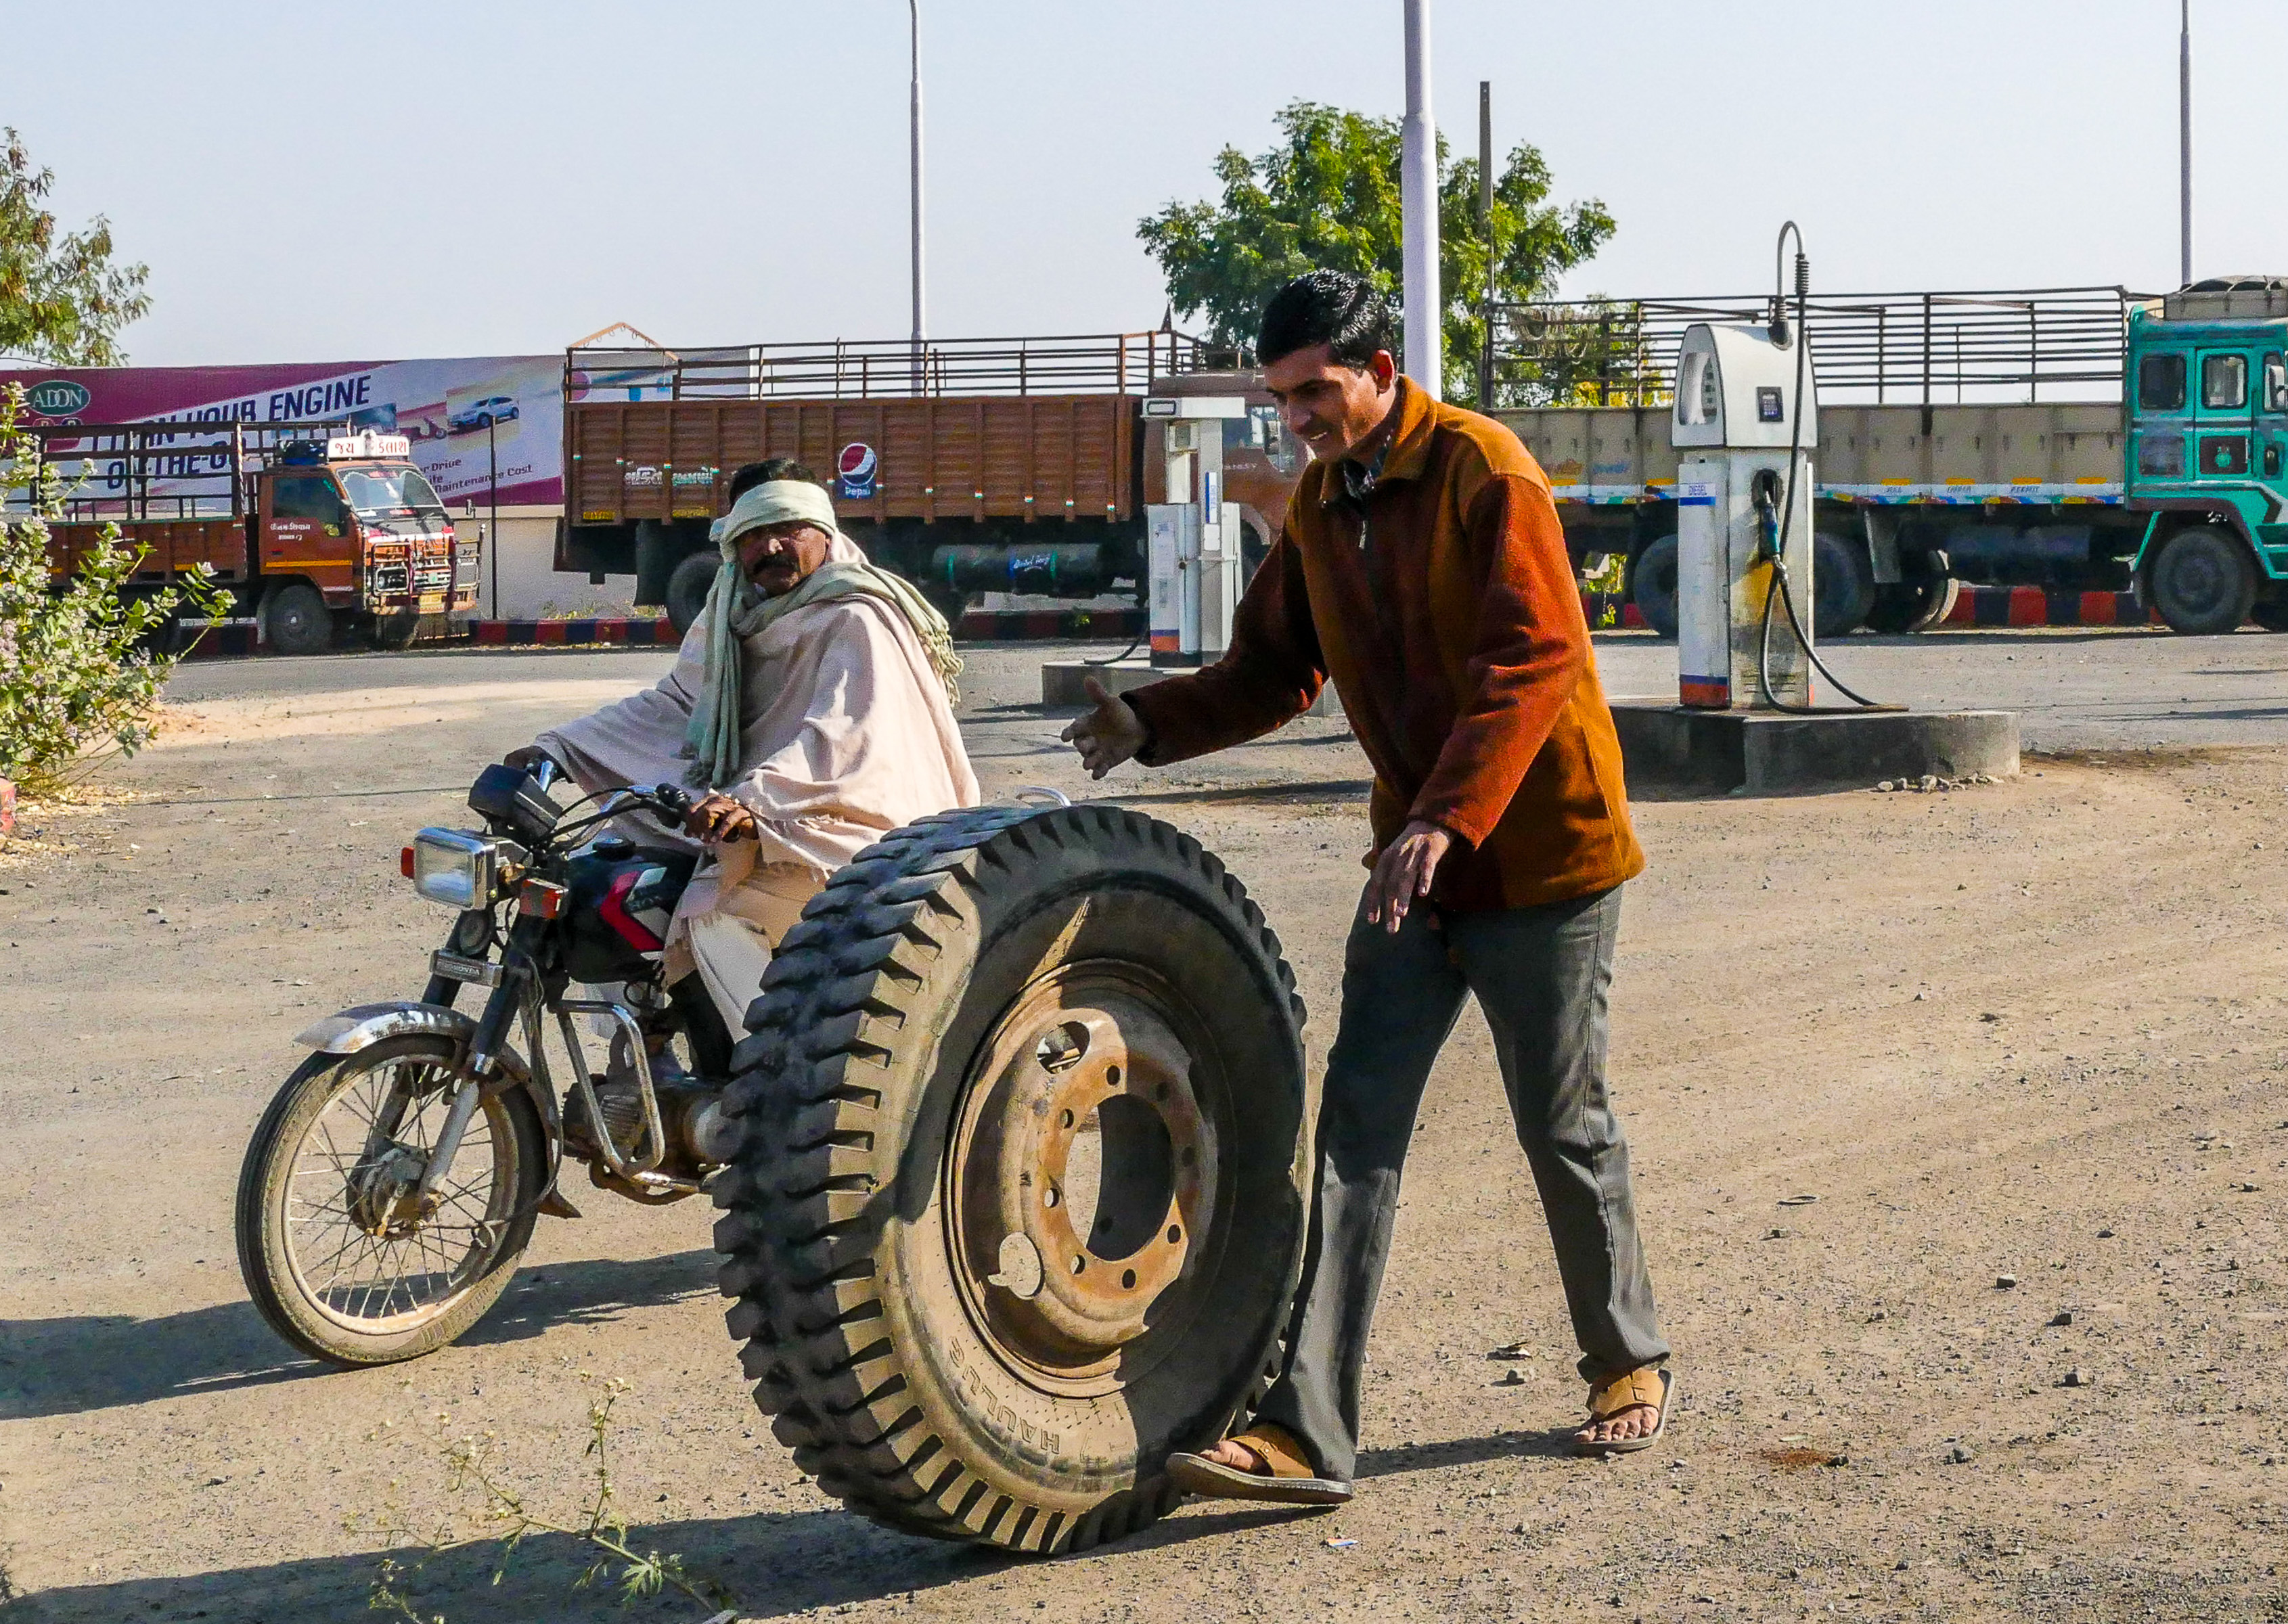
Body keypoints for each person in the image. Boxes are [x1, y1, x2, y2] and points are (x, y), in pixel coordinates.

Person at [1062, 271, 1669, 1504]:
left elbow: (1536, 657)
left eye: (1315, 392)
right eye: (1281, 398)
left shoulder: (1485, 474)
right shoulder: (1320, 501)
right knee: (1355, 1131)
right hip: (1415, 867)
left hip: (1543, 860)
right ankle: (1307, 1433)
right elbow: (1273, 670)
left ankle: (1626, 1358)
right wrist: (1149, 721)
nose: (1297, 419)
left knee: (1560, 1123)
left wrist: (1447, 817)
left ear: (1381, 373)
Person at [514, 459, 979, 1037]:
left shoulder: (858, 616)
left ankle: (774, 1072)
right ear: (733, 542)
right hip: (757, 818)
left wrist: (752, 801)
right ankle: (639, 1061)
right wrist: (559, 749)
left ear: (823, 533)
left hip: (852, 829)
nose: (772, 546)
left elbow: (842, 734)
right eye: (755, 533)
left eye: (788, 528)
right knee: (597, 885)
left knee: (717, 916)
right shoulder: (730, 608)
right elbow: (680, 703)